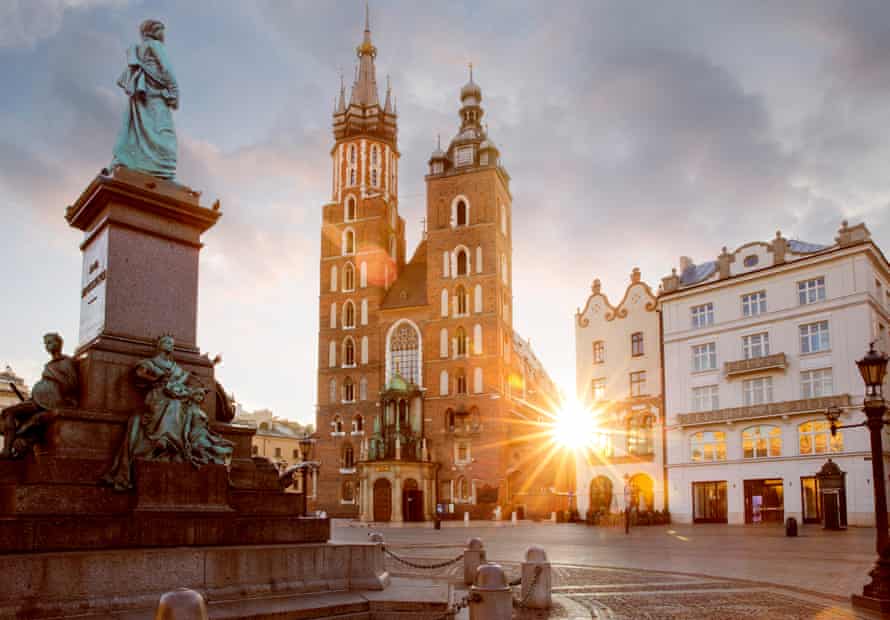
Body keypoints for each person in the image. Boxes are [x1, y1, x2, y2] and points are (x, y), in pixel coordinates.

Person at [110, 19, 179, 180]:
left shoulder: (138, 50)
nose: (164, 34)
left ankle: (137, 165)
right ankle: (164, 172)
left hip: (142, 96)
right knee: (165, 136)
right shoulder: (155, 46)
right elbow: (166, 68)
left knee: (139, 133)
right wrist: (174, 91)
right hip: (156, 98)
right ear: (153, 31)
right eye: (161, 30)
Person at [1, 333, 78, 458]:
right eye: (46, 343)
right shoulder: (49, 365)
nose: (48, 345)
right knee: (8, 413)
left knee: (20, 418)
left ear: (59, 343)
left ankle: (11, 449)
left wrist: (68, 402)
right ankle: (8, 449)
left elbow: (71, 384)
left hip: (51, 402)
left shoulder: (66, 362)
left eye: (51, 342)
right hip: (38, 400)